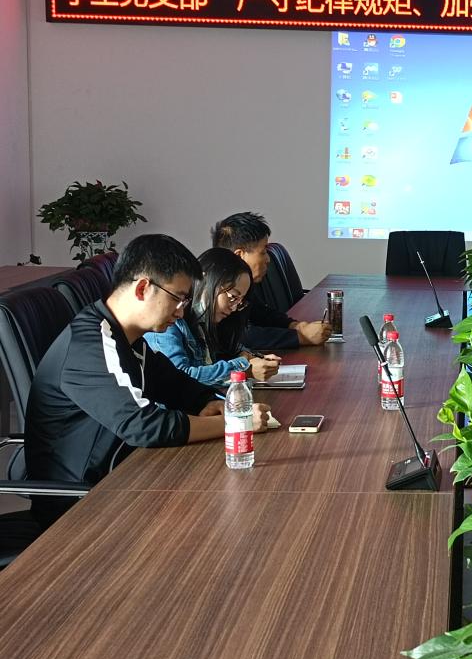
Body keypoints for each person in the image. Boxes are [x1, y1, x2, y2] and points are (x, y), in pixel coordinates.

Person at [24, 234, 271, 528]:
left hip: (124, 477)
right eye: (177, 298)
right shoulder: (91, 344)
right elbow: (144, 425)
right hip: (81, 508)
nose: (181, 311)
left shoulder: (129, 338)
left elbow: (172, 382)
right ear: (143, 288)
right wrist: (236, 422)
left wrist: (206, 401)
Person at [145, 248, 281, 385]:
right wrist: (245, 370)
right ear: (206, 280)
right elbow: (180, 378)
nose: (234, 308)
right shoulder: (168, 323)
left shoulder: (208, 320)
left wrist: (253, 357)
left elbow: (231, 350)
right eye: (233, 297)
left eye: (240, 302)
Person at [211, 211, 330, 349]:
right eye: (263, 252)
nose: (268, 259)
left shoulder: (242, 285)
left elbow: (262, 314)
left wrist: (296, 326)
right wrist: (302, 337)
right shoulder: (217, 287)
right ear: (239, 255)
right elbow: (240, 336)